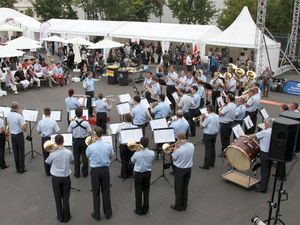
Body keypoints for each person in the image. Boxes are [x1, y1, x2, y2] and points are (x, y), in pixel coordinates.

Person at [86, 127, 114, 221]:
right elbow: (111, 155)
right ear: (102, 134)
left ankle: (97, 214)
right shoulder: (108, 145)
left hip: (95, 171)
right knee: (106, 191)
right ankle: (108, 213)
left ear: (95, 134)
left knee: (96, 192)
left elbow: (87, 155)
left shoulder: (90, 146)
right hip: (105, 169)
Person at [45, 134, 74, 223]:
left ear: (55, 142)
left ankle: (60, 216)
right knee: (66, 197)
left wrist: (51, 152)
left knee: (57, 197)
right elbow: (71, 160)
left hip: (56, 178)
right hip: (66, 177)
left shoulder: (52, 153)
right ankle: (67, 216)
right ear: (63, 141)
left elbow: (47, 162)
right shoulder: (68, 152)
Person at [131, 137, 155, 215]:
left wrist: (137, 151)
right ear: (148, 144)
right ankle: (146, 208)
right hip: (147, 173)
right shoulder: (152, 153)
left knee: (138, 192)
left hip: (138, 173)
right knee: (146, 191)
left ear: (140, 143)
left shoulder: (137, 153)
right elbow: (152, 159)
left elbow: (132, 160)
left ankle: (139, 209)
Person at [170, 133, 194, 211]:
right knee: (185, 187)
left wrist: (175, 148)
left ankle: (178, 205)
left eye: (177, 139)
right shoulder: (191, 146)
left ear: (179, 139)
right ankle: (184, 204)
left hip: (180, 170)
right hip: (188, 169)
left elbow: (173, 158)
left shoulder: (179, 149)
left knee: (178, 188)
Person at [249, 118, 273, 193]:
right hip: (271, 153)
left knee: (264, 171)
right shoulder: (273, 131)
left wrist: (244, 135)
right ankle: (264, 183)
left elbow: (253, 136)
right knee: (268, 170)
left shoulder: (265, 132)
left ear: (267, 124)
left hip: (264, 153)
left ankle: (263, 188)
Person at [68, 107, 92, 178]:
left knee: (76, 157)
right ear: (82, 114)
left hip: (76, 141)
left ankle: (77, 173)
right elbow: (90, 132)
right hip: (84, 141)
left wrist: (72, 122)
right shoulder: (86, 123)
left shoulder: (72, 123)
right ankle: (85, 173)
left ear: (75, 114)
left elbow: (69, 131)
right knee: (85, 157)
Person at [36, 108, 60, 176]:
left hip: (44, 139)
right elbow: (57, 130)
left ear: (44, 113)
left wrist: (42, 133)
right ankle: (53, 170)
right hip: (51, 138)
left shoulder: (41, 122)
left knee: (45, 155)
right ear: (50, 113)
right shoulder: (53, 121)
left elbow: (38, 131)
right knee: (53, 154)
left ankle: (47, 171)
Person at [7, 102, 28, 173]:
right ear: (17, 107)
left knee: (15, 152)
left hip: (12, 135)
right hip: (19, 135)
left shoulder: (8, 115)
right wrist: (23, 118)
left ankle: (17, 168)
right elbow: (24, 128)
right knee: (21, 152)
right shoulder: (19, 116)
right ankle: (21, 169)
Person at [116, 114, 138, 180]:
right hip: (132, 145)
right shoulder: (135, 127)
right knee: (131, 159)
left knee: (124, 160)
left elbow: (117, 132)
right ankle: (130, 173)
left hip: (123, 145)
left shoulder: (121, 127)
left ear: (125, 119)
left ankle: (124, 175)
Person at [200, 105, 220, 169]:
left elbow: (201, 126)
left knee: (207, 150)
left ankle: (206, 165)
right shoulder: (217, 116)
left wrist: (201, 119)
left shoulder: (208, 118)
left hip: (208, 134)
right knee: (213, 148)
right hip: (214, 134)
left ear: (209, 110)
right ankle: (212, 163)